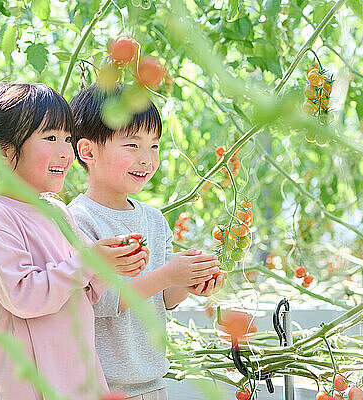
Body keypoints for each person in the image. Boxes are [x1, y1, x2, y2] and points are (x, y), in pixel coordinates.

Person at [0, 82, 149, 400]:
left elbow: (80, 289)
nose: (66, 152)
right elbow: (24, 296)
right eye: (50, 138)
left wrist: (111, 261)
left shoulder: (55, 210)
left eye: (68, 139)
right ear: (4, 150)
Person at [68, 84, 225, 399]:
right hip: (103, 387)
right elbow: (106, 301)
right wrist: (169, 274)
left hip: (153, 382)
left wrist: (189, 282)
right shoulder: (79, 219)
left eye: (154, 146)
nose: (146, 159)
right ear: (88, 151)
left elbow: (162, 298)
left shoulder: (154, 219)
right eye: (131, 145)